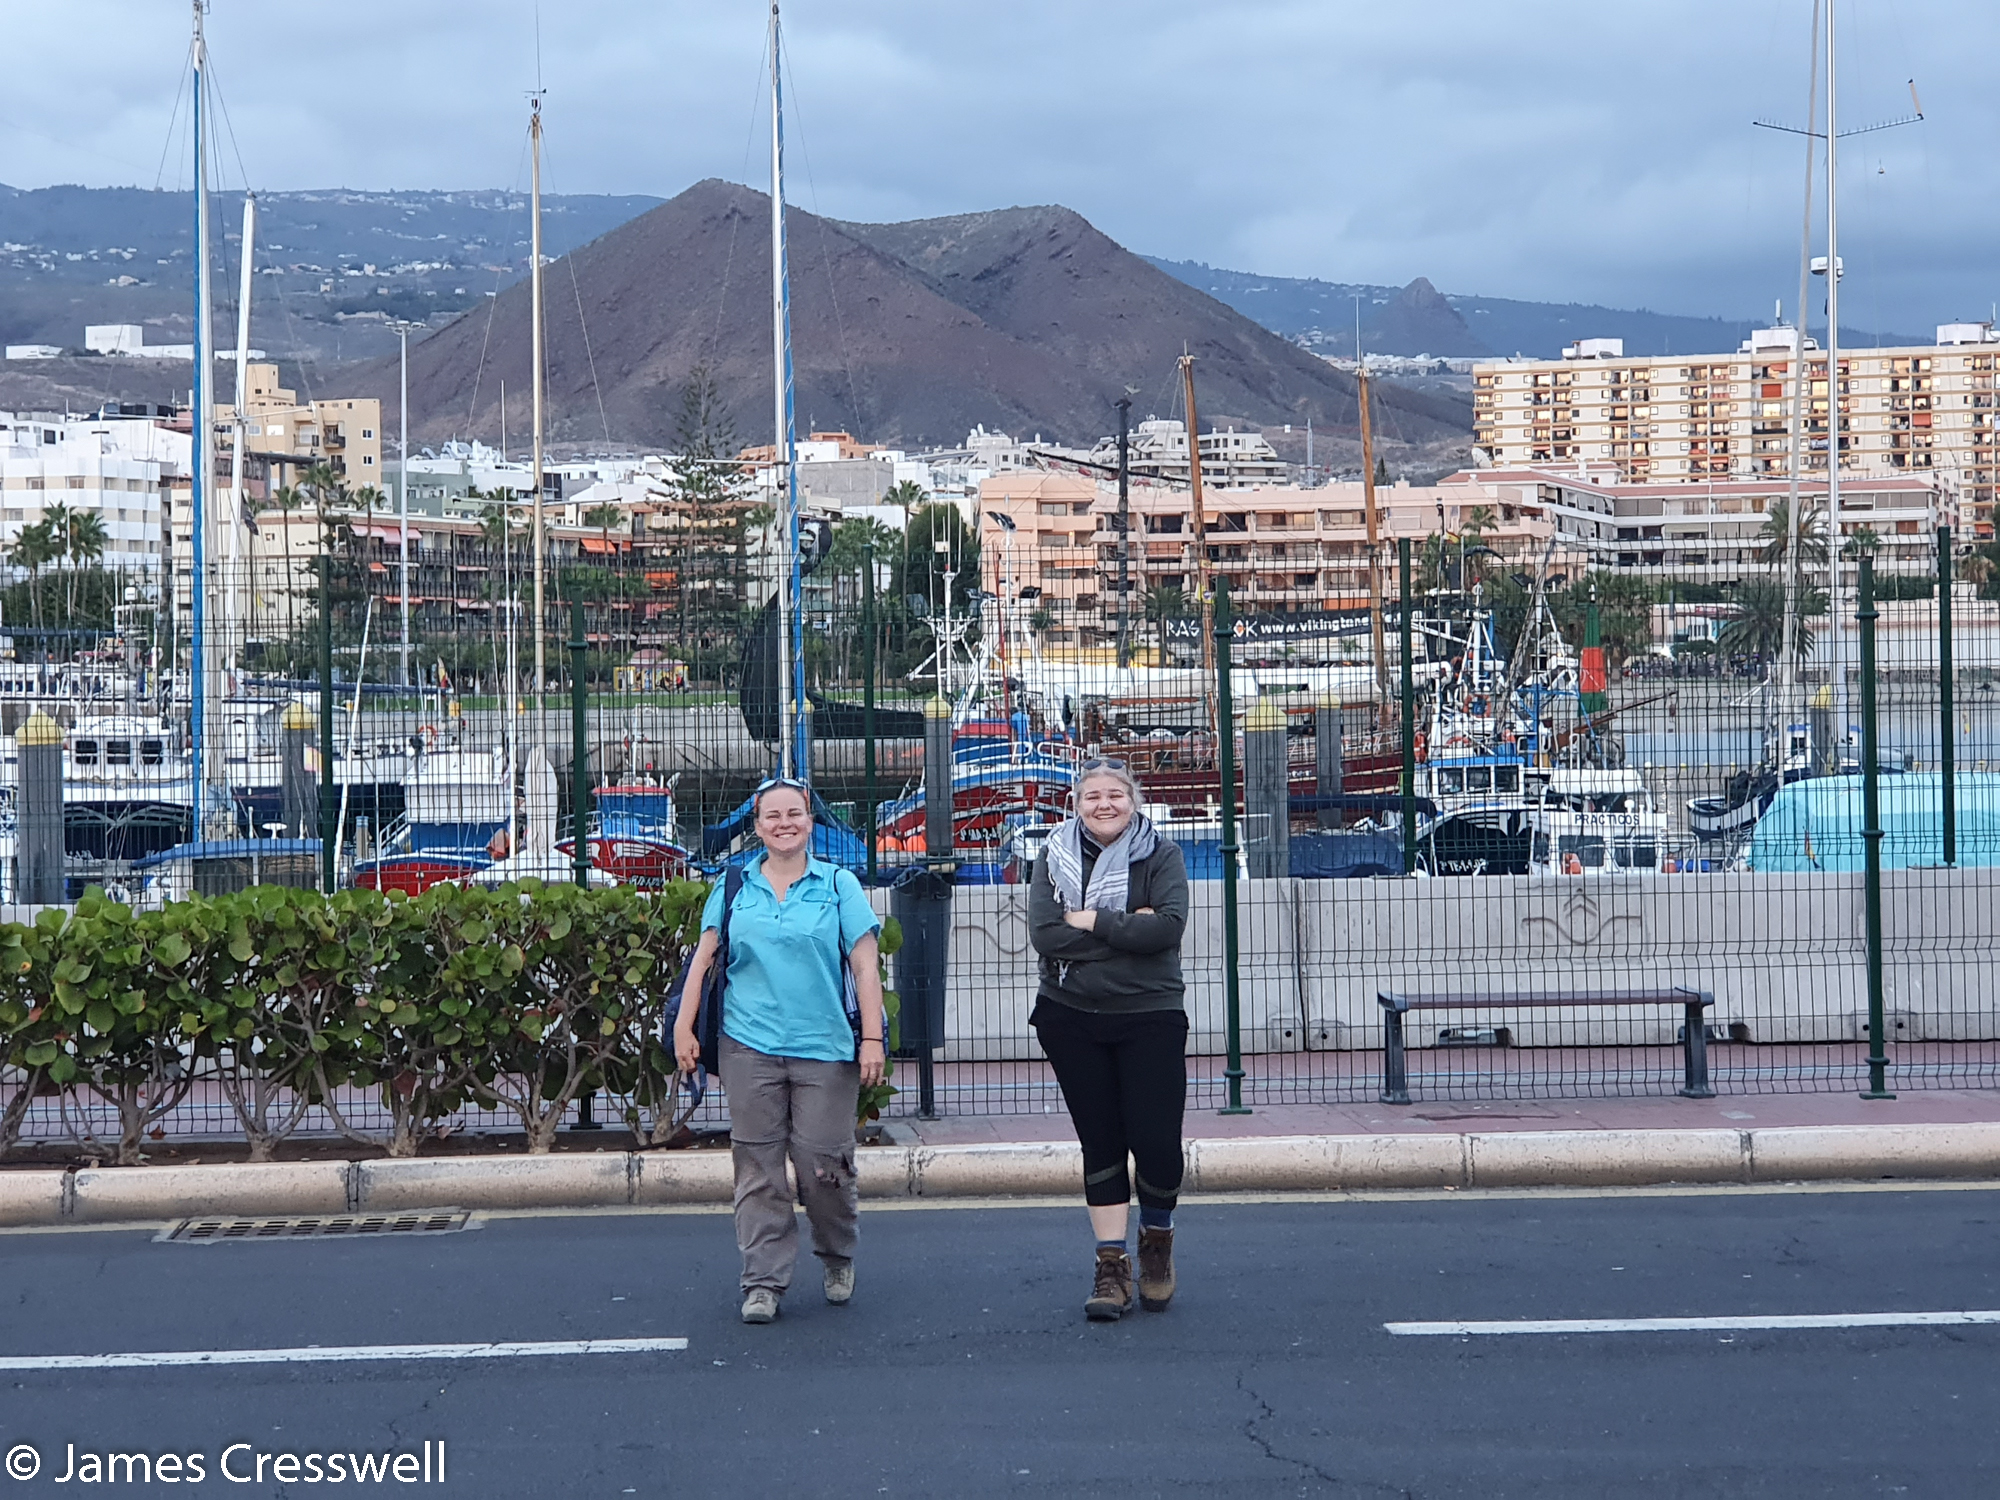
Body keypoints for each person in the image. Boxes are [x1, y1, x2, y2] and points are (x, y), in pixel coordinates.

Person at [674, 777, 886, 1324]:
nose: (784, 823)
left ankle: (837, 1253)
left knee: (823, 1165)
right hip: (748, 1045)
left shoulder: (839, 885)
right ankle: (762, 1281)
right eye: (773, 815)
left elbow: (865, 966)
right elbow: (703, 960)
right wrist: (684, 1026)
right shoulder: (734, 884)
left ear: (811, 821)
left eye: (795, 813)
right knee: (758, 1167)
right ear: (758, 824)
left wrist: (871, 1037)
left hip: (825, 1047)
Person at [1028, 759, 1190, 1321]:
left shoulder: (1161, 856)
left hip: (1150, 1015)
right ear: (1076, 804)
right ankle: (1111, 1265)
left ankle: (1157, 1242)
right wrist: (1126, 928)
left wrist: (1090, 921)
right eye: (1092, 795)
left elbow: (1167, 929)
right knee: (1100, 1142)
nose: (1104, 804)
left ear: (1133, 800)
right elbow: (1046, 935)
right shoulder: (1053, 856)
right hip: (1070, 1015)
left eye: (1115, 794)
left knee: (1156, 1142)